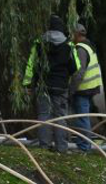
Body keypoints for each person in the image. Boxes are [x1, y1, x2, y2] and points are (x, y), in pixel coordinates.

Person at [22, 15, 78, 153]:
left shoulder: (38, 43)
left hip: (43, 86)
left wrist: (27, 83)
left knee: (44, 115)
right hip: (61, 86)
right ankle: (62, 148)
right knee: (61, 116)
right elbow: (75, 66)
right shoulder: (69, 45)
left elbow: (31, 64)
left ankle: (44, 146)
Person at [69, 23, 103, 152]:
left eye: (72, 34)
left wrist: (71, 89)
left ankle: (84, 147)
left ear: (77, 34)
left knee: (82, 118)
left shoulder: (81, 49)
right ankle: (82, 144)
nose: (71, 37)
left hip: (83, 88)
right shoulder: (89, 46)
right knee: (83, 117)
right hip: (90, 87)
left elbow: (79, 72)